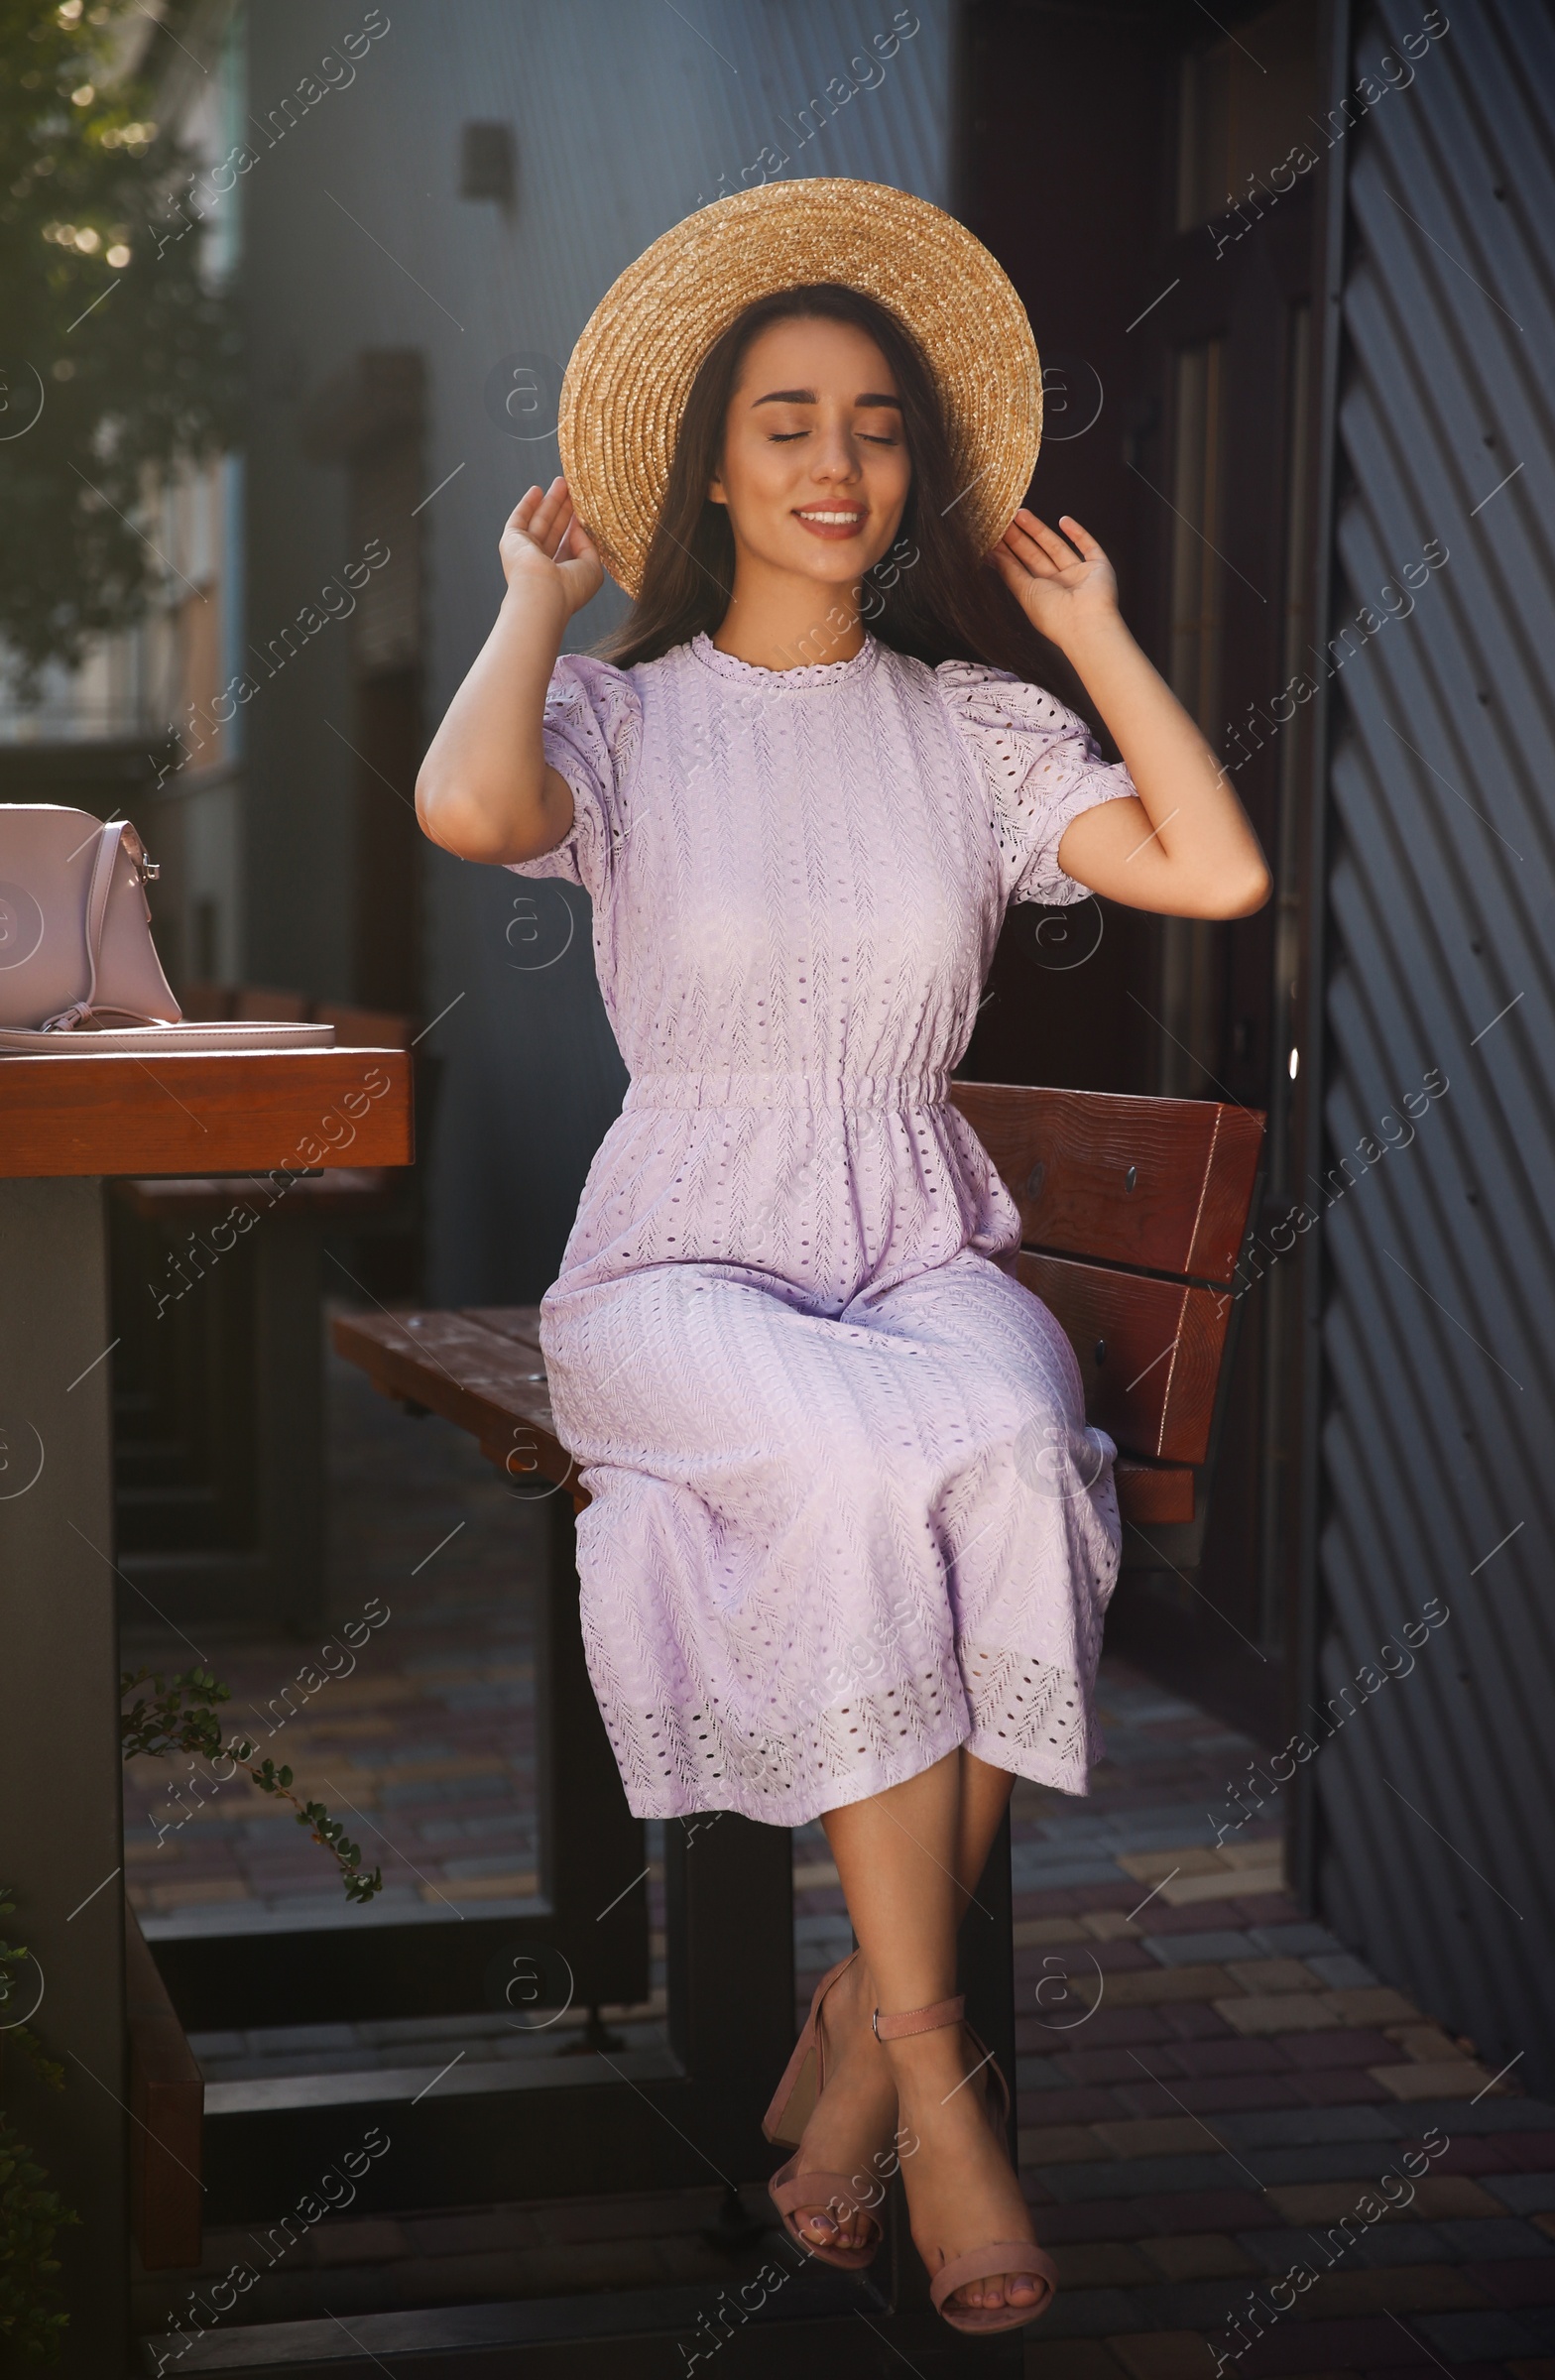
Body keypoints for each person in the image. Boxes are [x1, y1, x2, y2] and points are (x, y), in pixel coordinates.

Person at [417, 178, 1269, 2335]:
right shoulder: (617, 721)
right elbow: (465, 814)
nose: (833, 461)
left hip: (911, 1236)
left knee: (998, 1444)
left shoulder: (965, 731)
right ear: (708, 464)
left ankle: (851, 2045)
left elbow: (1210, 862)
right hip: (682, 1257)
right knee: (843, 1467)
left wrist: (1083, 638)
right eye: (784, 419)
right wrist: (528, 605)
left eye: (873, 426)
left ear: (909, 474)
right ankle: (919, 2075)